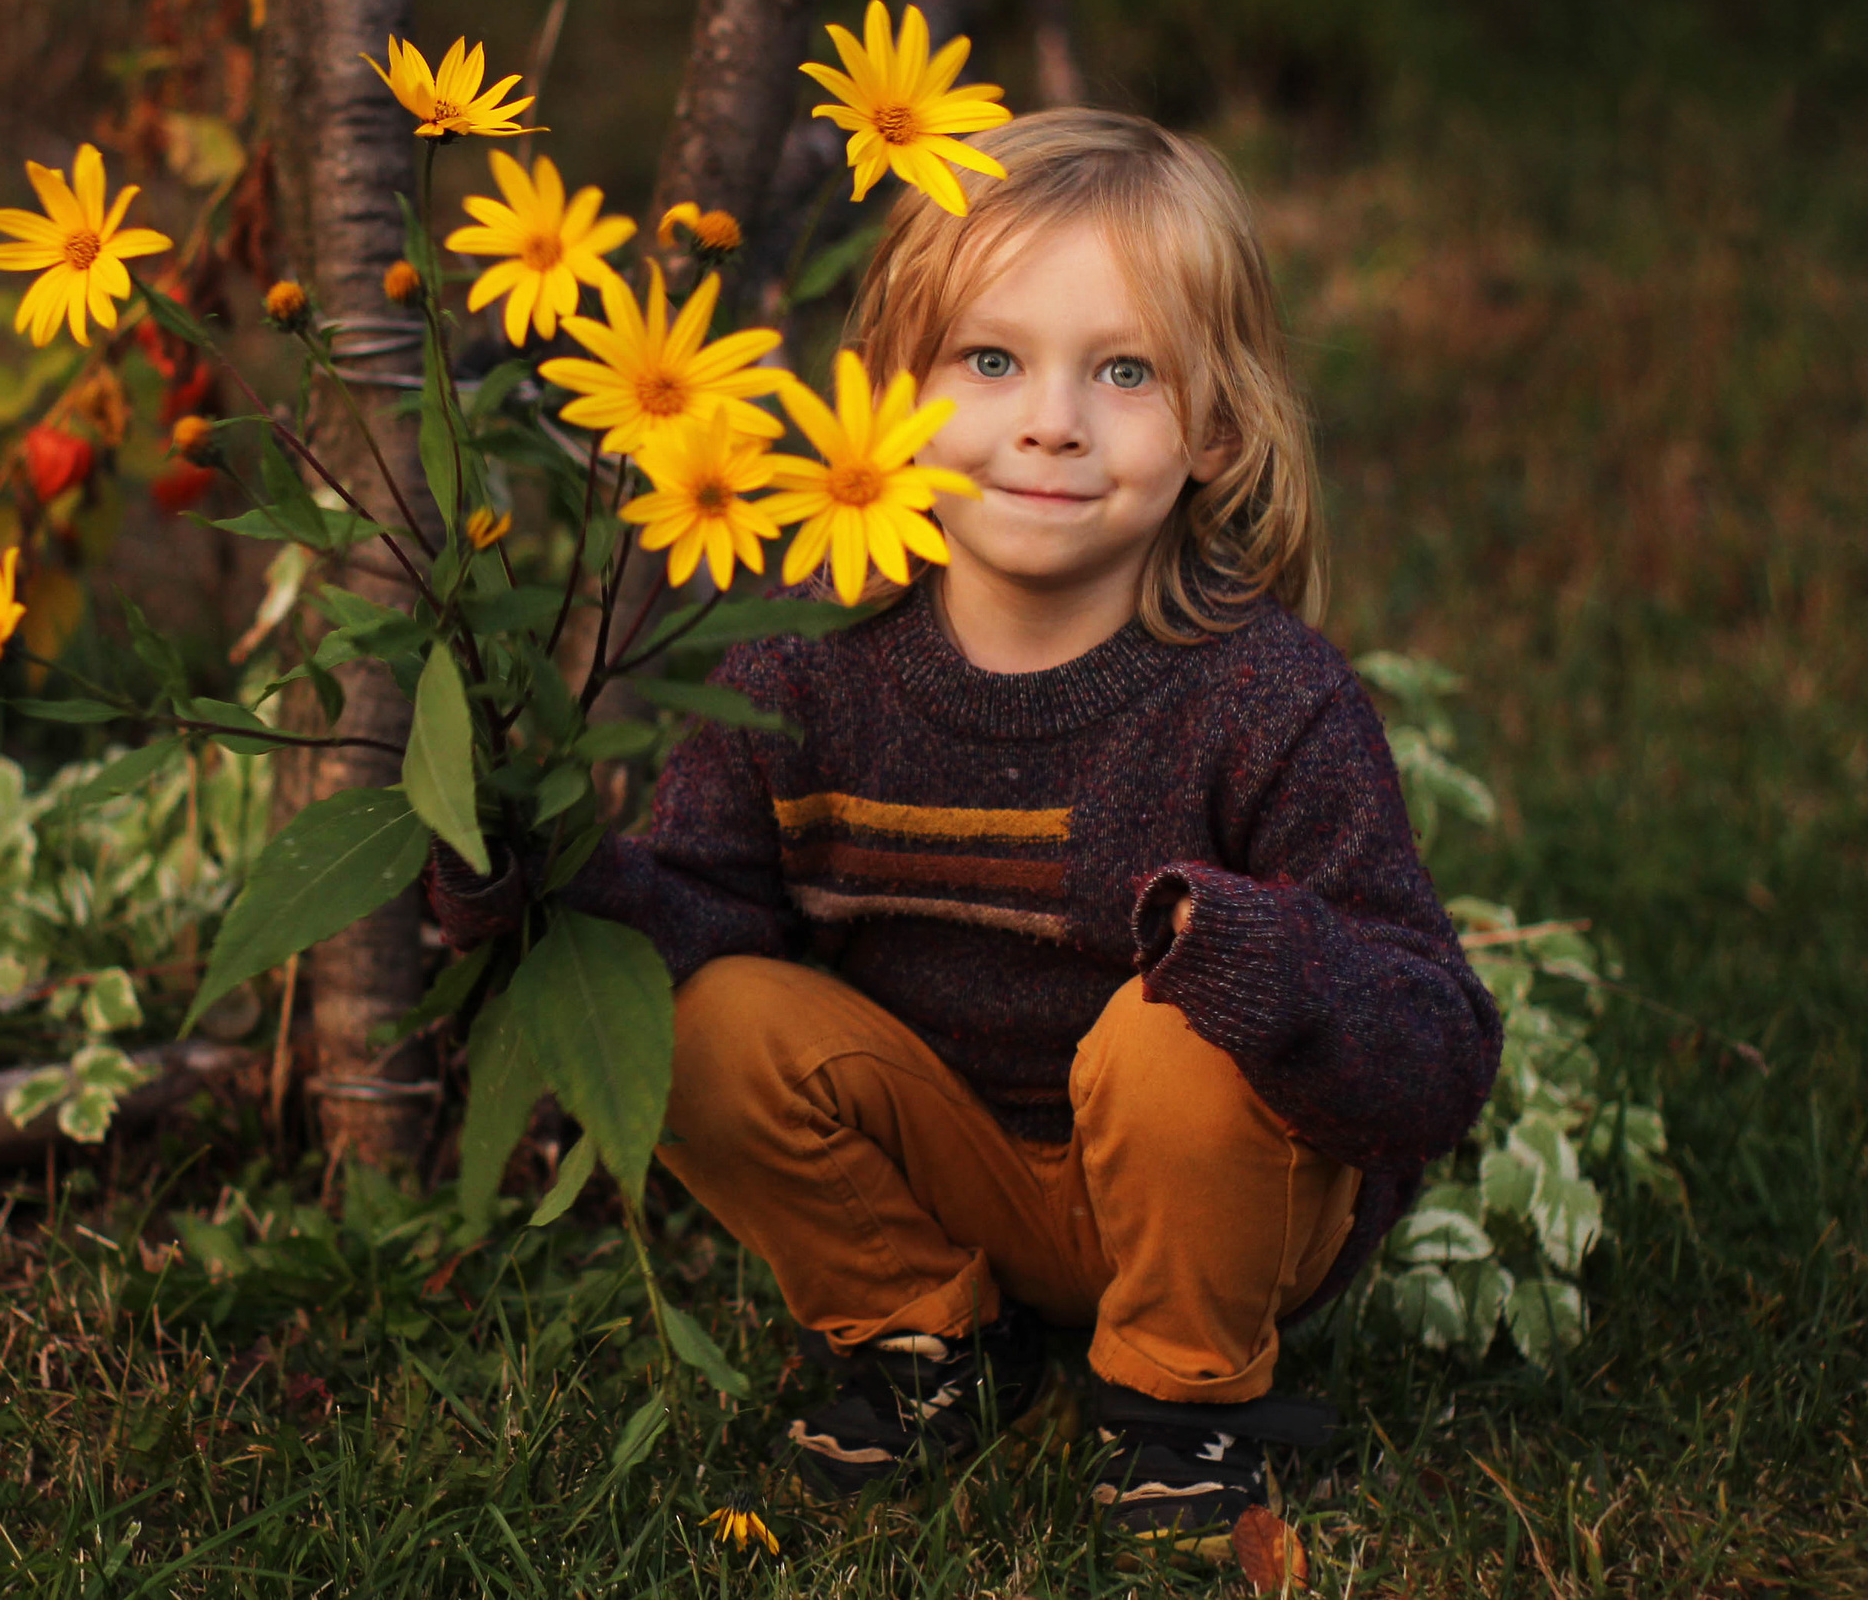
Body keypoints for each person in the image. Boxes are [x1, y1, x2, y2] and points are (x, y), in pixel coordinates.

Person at [433, 108, 1501, 1560]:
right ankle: (923, 1331)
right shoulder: (802, 662)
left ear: (1218, 429)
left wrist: (1268, 964)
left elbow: (1441, 1049)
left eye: (1124, 371)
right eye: (990, 360)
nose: (1051, 420)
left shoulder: (1265, 697)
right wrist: (549, 890)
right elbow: (707, 917)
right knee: (696, 1015)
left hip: (1219, 1201)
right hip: (952, 1168)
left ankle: (1182, 1397)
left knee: (1171, 1032)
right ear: (886, 394)